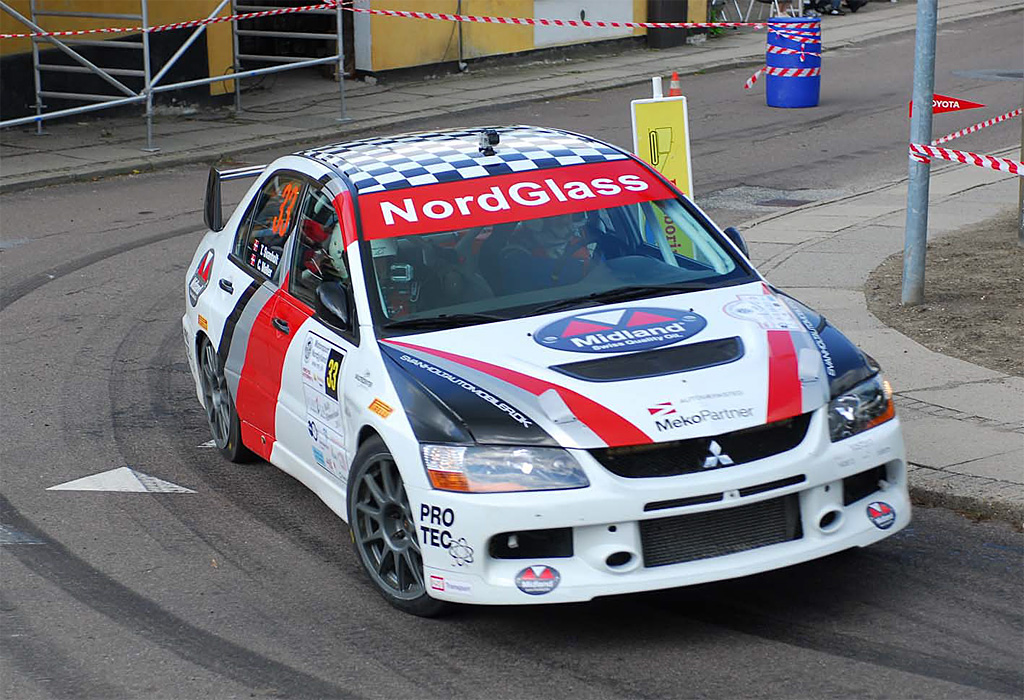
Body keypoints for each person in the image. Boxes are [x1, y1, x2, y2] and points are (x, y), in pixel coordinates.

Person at [498, 212, 595, 294]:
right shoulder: (516, 256)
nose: (567, 222)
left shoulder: (584, 239)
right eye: (560, 217)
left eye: (571, 216)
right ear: (537, 222)